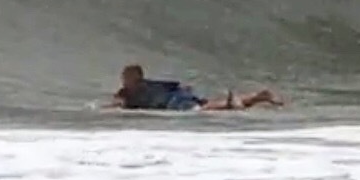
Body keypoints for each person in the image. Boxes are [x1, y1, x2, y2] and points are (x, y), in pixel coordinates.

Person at [107, 64, 282, 112]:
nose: (124, 80)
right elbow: (174, 85)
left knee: (203, 109)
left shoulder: (128, 92)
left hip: (175, 103)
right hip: (178, 97)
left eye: (126, 77)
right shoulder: (146, 84)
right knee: (208, 105)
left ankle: (233, 103)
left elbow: (118, 104)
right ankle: (259, 96)